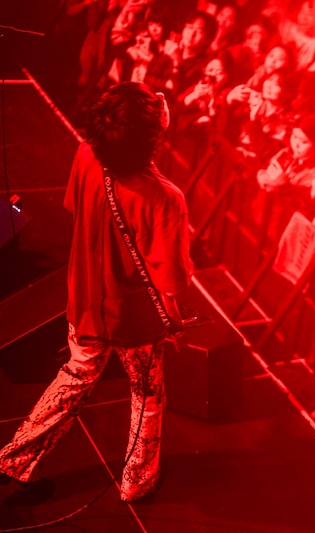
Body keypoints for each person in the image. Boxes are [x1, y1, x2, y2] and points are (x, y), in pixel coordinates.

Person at [0, 82, 193, 502]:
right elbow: (171, 281)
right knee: (147, 395)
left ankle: (16, 459)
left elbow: (74, 207)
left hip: (85, 298)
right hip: (135, 319)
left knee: (74, 377)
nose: (163, 102)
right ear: (152, 133)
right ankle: (137, 481)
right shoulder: (165, 198)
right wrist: (175, 323)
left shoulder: (87, 153)